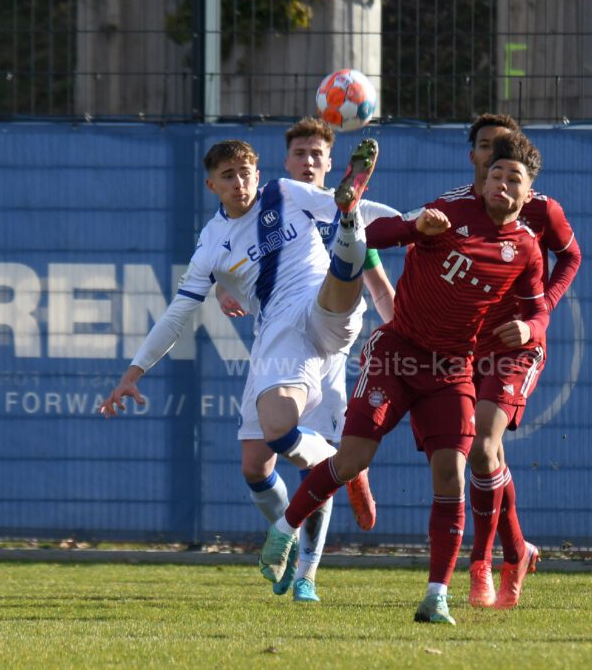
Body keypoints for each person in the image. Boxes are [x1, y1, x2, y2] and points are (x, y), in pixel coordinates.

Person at [259, 132, 551, 625]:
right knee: (352, 459)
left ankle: (436, 594)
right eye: (495, 174)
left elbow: (538, 309)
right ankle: (285, 530)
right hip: (398, 354)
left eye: (513, 178)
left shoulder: (525, 248)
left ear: (528, 195)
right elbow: (372, 241)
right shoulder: (449, 211)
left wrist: (530, 325)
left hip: (452, 369)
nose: (500, 182)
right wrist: (416, 226)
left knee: (451, 473)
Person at [99, 137, 393, 584]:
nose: (240, 183)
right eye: (228, 176)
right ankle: (337, 466)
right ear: (211, 185)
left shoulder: (284, 193)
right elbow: (179, 312)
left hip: (322, 316)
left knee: (346, 234)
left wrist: (415, 223)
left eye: (245, 172)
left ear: (259, 172)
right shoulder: (212, 245)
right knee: (260, 457)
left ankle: (307, 578)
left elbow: (359, 208)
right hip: (279, 336)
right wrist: (133, 373)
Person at [214, 118, 396, 603]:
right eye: (301, 154)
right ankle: (288, 532)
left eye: (318, 153)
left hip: (326, 353)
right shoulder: (269, 208)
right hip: (275, 345)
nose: (309, 160)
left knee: (310, 469)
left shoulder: (345, 219)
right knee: (255, 463)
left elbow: (379, 291)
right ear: (287, 162)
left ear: (331, 164)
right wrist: (218, 285)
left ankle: (307, 576)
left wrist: (404, 332)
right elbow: (226, 257)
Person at [423, 114, 581, 610]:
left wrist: (540, 316)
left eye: (507, 153)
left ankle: (481, 564)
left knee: (483, 446)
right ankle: (517, 551)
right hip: (470, 343)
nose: (498, 160)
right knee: (487, 457)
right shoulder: (454, 208)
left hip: (519, 344)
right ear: (475, 157)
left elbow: (571, 257)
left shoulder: (539, 208)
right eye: (488, 149)